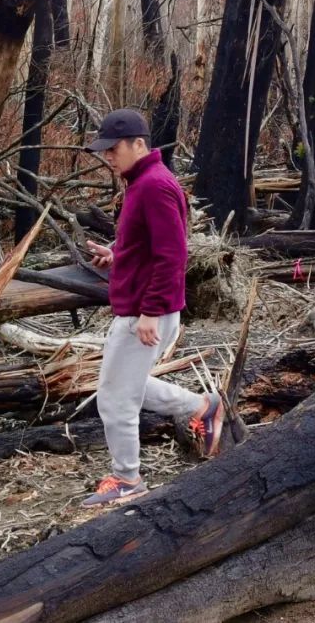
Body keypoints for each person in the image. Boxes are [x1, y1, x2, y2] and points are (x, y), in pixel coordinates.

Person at [80, 108, 223, 507]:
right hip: (140, 309)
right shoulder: (141, 183)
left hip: (146, 314)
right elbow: (147, 246)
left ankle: (127, 479)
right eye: (104, 150)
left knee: (114, 398)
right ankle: (204, 406)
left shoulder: (154, 186)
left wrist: (150, 312)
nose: (108, 157)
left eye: (113, 148)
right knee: (128, 388)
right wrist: (116, 254)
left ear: (138, 144)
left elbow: (172, 255)